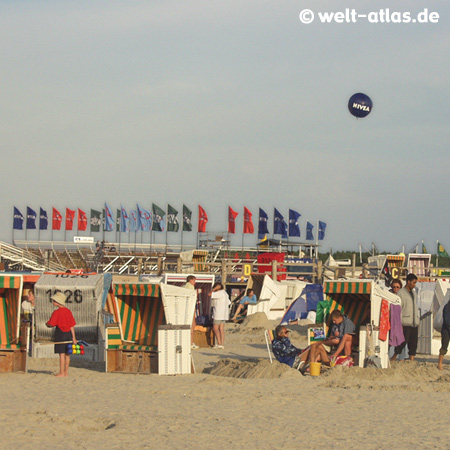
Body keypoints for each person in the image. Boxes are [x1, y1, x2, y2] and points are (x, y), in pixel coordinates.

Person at [46, 292, 77, 377]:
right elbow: (72, 326)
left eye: (54, 301)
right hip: (69, 334)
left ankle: (61, 372)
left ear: (57, 302)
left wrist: (47, 324)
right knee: (67, 354)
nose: (53, 302)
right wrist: (74, 338)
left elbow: (51, 324)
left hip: (60, 334)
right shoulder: (68, 311)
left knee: (62, 354)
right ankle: (66, 372)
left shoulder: (57, 312)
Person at [391, 274, 419, 362]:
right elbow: (398, 309)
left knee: (413, 342)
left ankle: (412, 360)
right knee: (402, 342)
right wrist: (399, 324)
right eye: (413, 282)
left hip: (414, 321)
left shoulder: (414, 292)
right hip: (405, 322)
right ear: (408, 282)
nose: (414, 284)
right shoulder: (401, 293)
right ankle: (394, 356)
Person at [210, 282, 230, 349]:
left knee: (215, 328)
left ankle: (219, 343)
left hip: (218, 314)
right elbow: (229, 302)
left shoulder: (218, 293)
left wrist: (214, 289)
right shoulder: (225, 293)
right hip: (224, 314)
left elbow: (209, 294)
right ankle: (222, 344)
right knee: (221, 329)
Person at [183, 275, 199, 350]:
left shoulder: (184, 286)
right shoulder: (190, 287)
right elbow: (192, 298)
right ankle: (191, 343)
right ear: (191, 280)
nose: (195, 282)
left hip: (186, 308)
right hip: (190, 308)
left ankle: (190, 342)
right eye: (194, 280)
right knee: (192, 325)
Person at [438, 299, 450, 370]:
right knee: (444, 347)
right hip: (446, 330)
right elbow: (447, 320)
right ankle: (439, 364)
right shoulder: (447, 307)